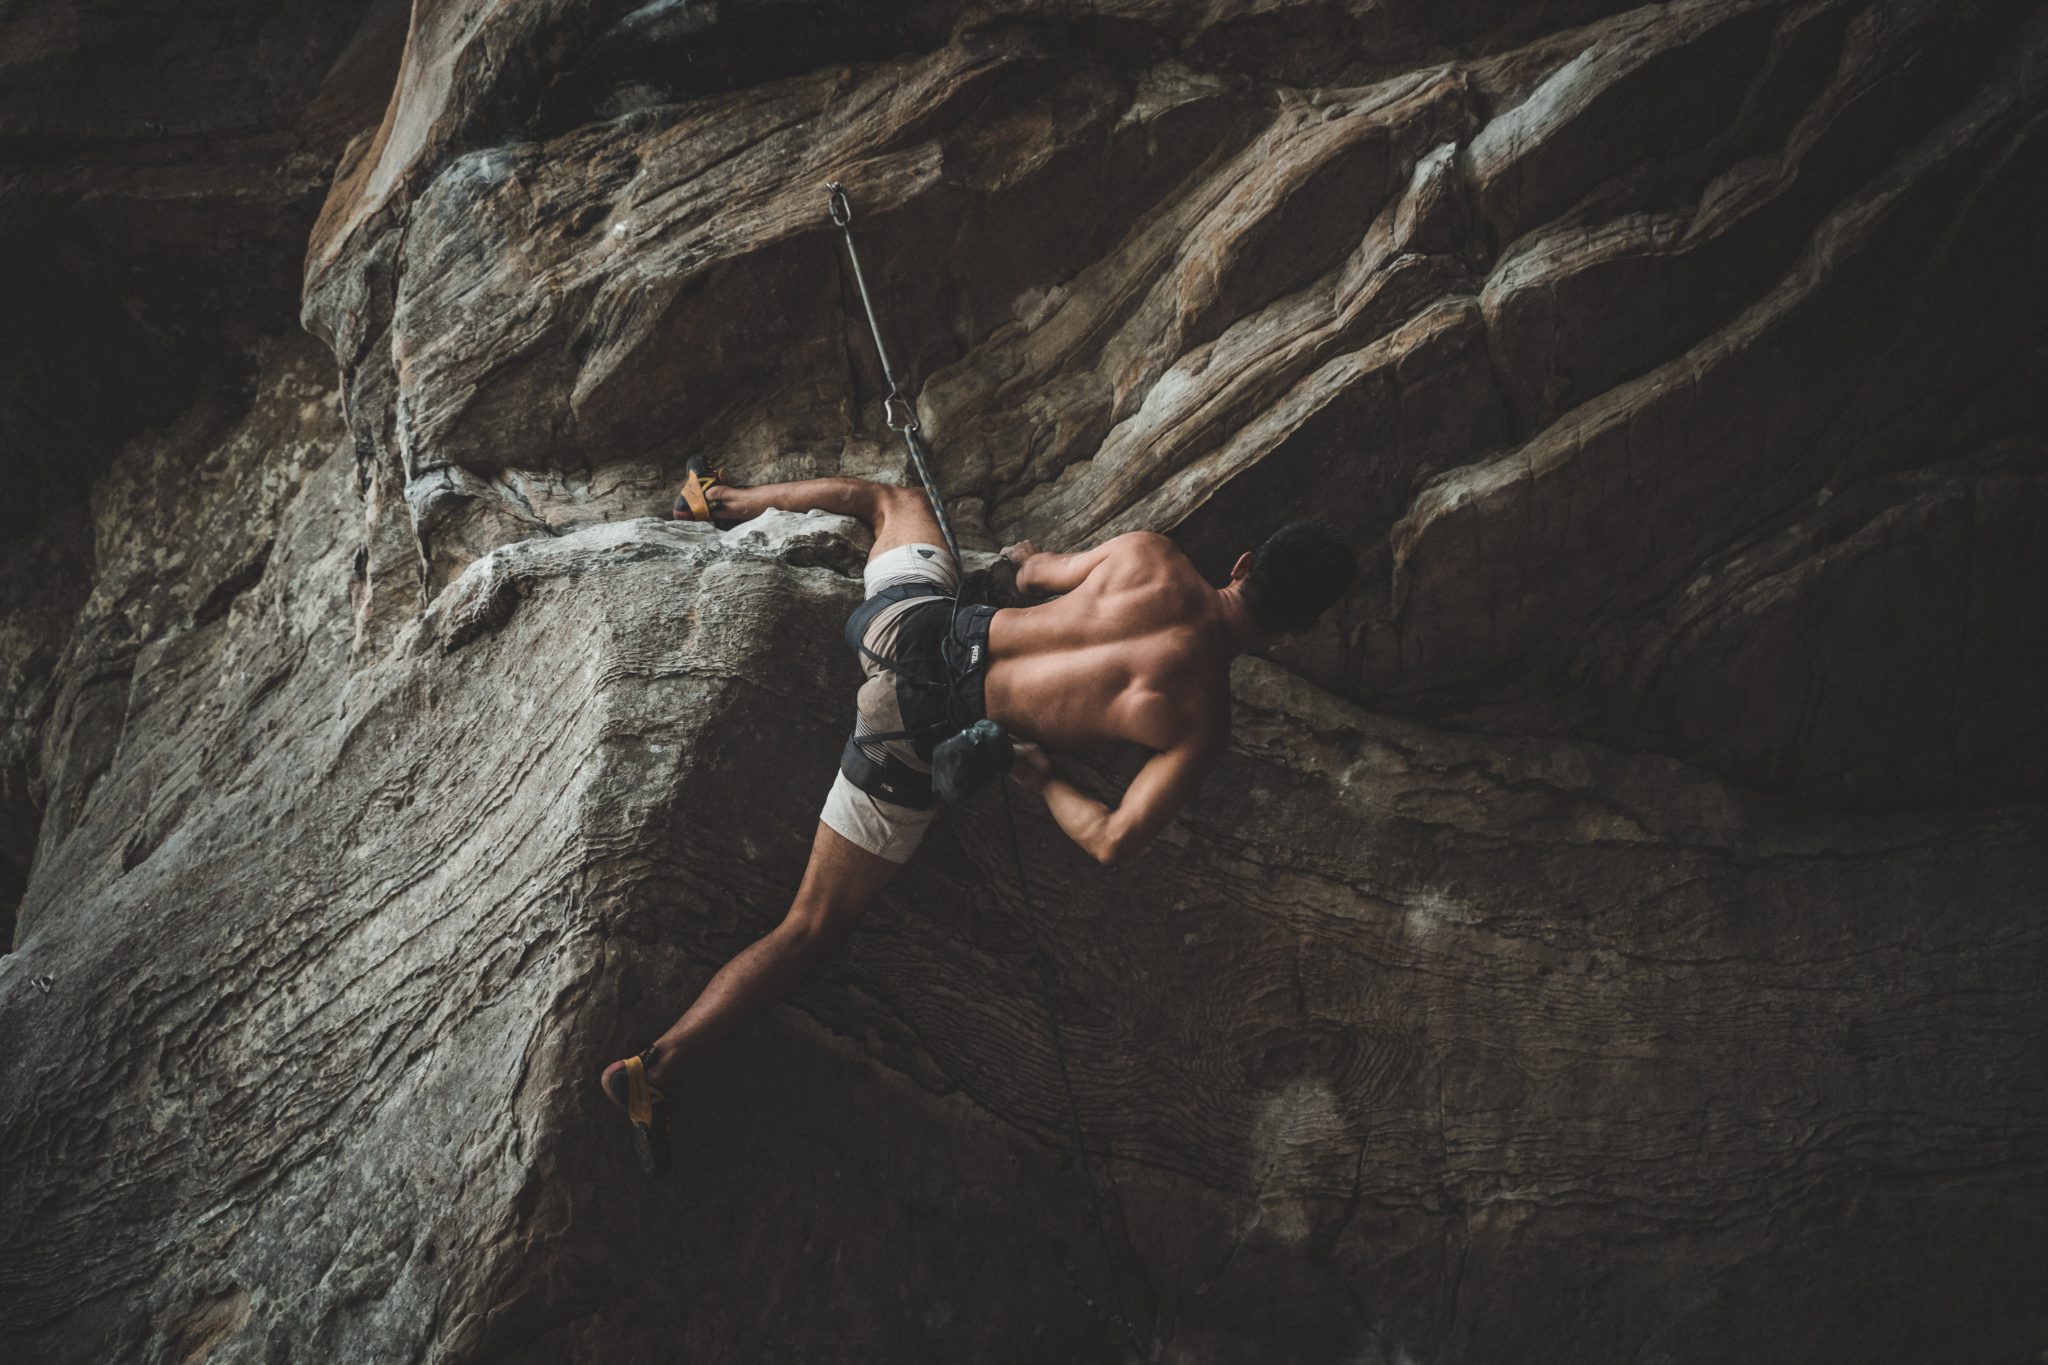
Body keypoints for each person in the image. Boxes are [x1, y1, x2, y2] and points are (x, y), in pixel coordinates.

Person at [601, 462, 1357, 1170]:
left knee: (890, 499)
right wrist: (1039, 774)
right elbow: (1110, 839)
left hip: (904, 629)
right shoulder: (1201, 723)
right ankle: (652, 1068)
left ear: (1244, 563)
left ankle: (716, 501)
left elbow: (1031, 572)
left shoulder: (1150, 554)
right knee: (806, 928)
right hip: (912, 741)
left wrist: (1029, 561)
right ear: (1298, 628)